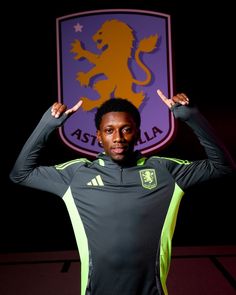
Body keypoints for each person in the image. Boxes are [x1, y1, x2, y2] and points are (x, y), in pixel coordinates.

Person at [9, 89, 235, 295]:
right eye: (109, 130)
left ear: (137, 134)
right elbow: (20, 174)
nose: (118, 137)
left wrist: (191, 117)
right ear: (99, 136)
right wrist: (47, 124)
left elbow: (223, 166)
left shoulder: (164, 171)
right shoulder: (77, 175)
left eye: (126, 129)